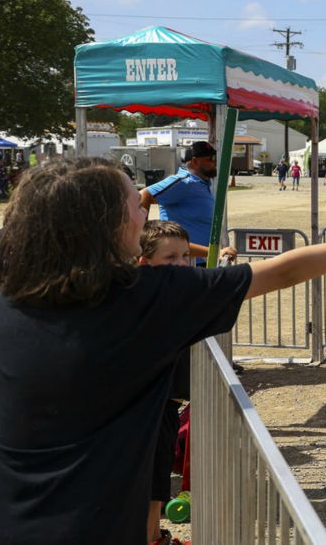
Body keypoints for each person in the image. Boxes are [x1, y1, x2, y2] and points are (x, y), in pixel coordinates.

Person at [0, 157, 326, 544]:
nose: (144, 210)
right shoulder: (152, 297)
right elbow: (280, 272)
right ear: (106, 224)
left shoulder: (2, 302)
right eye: (134, 204)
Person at [137, 221, 193, 545]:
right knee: (154, 480)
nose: (181, 263)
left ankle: (155, 534)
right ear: (145, 263)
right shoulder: (150, 299)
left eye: (185, 256)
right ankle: (151, 539)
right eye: (170, 258)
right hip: (153, 405)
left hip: (168, 403)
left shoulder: (173, 292)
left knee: (158, 479)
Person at [140, 141, 235, 266]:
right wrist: (142, 236)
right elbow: (144, 195)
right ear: (195, 161)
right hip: (184, 263)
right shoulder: (184, 182)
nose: (215, 163)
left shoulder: (202, 184)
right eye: (210, 159)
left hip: (201, 260)